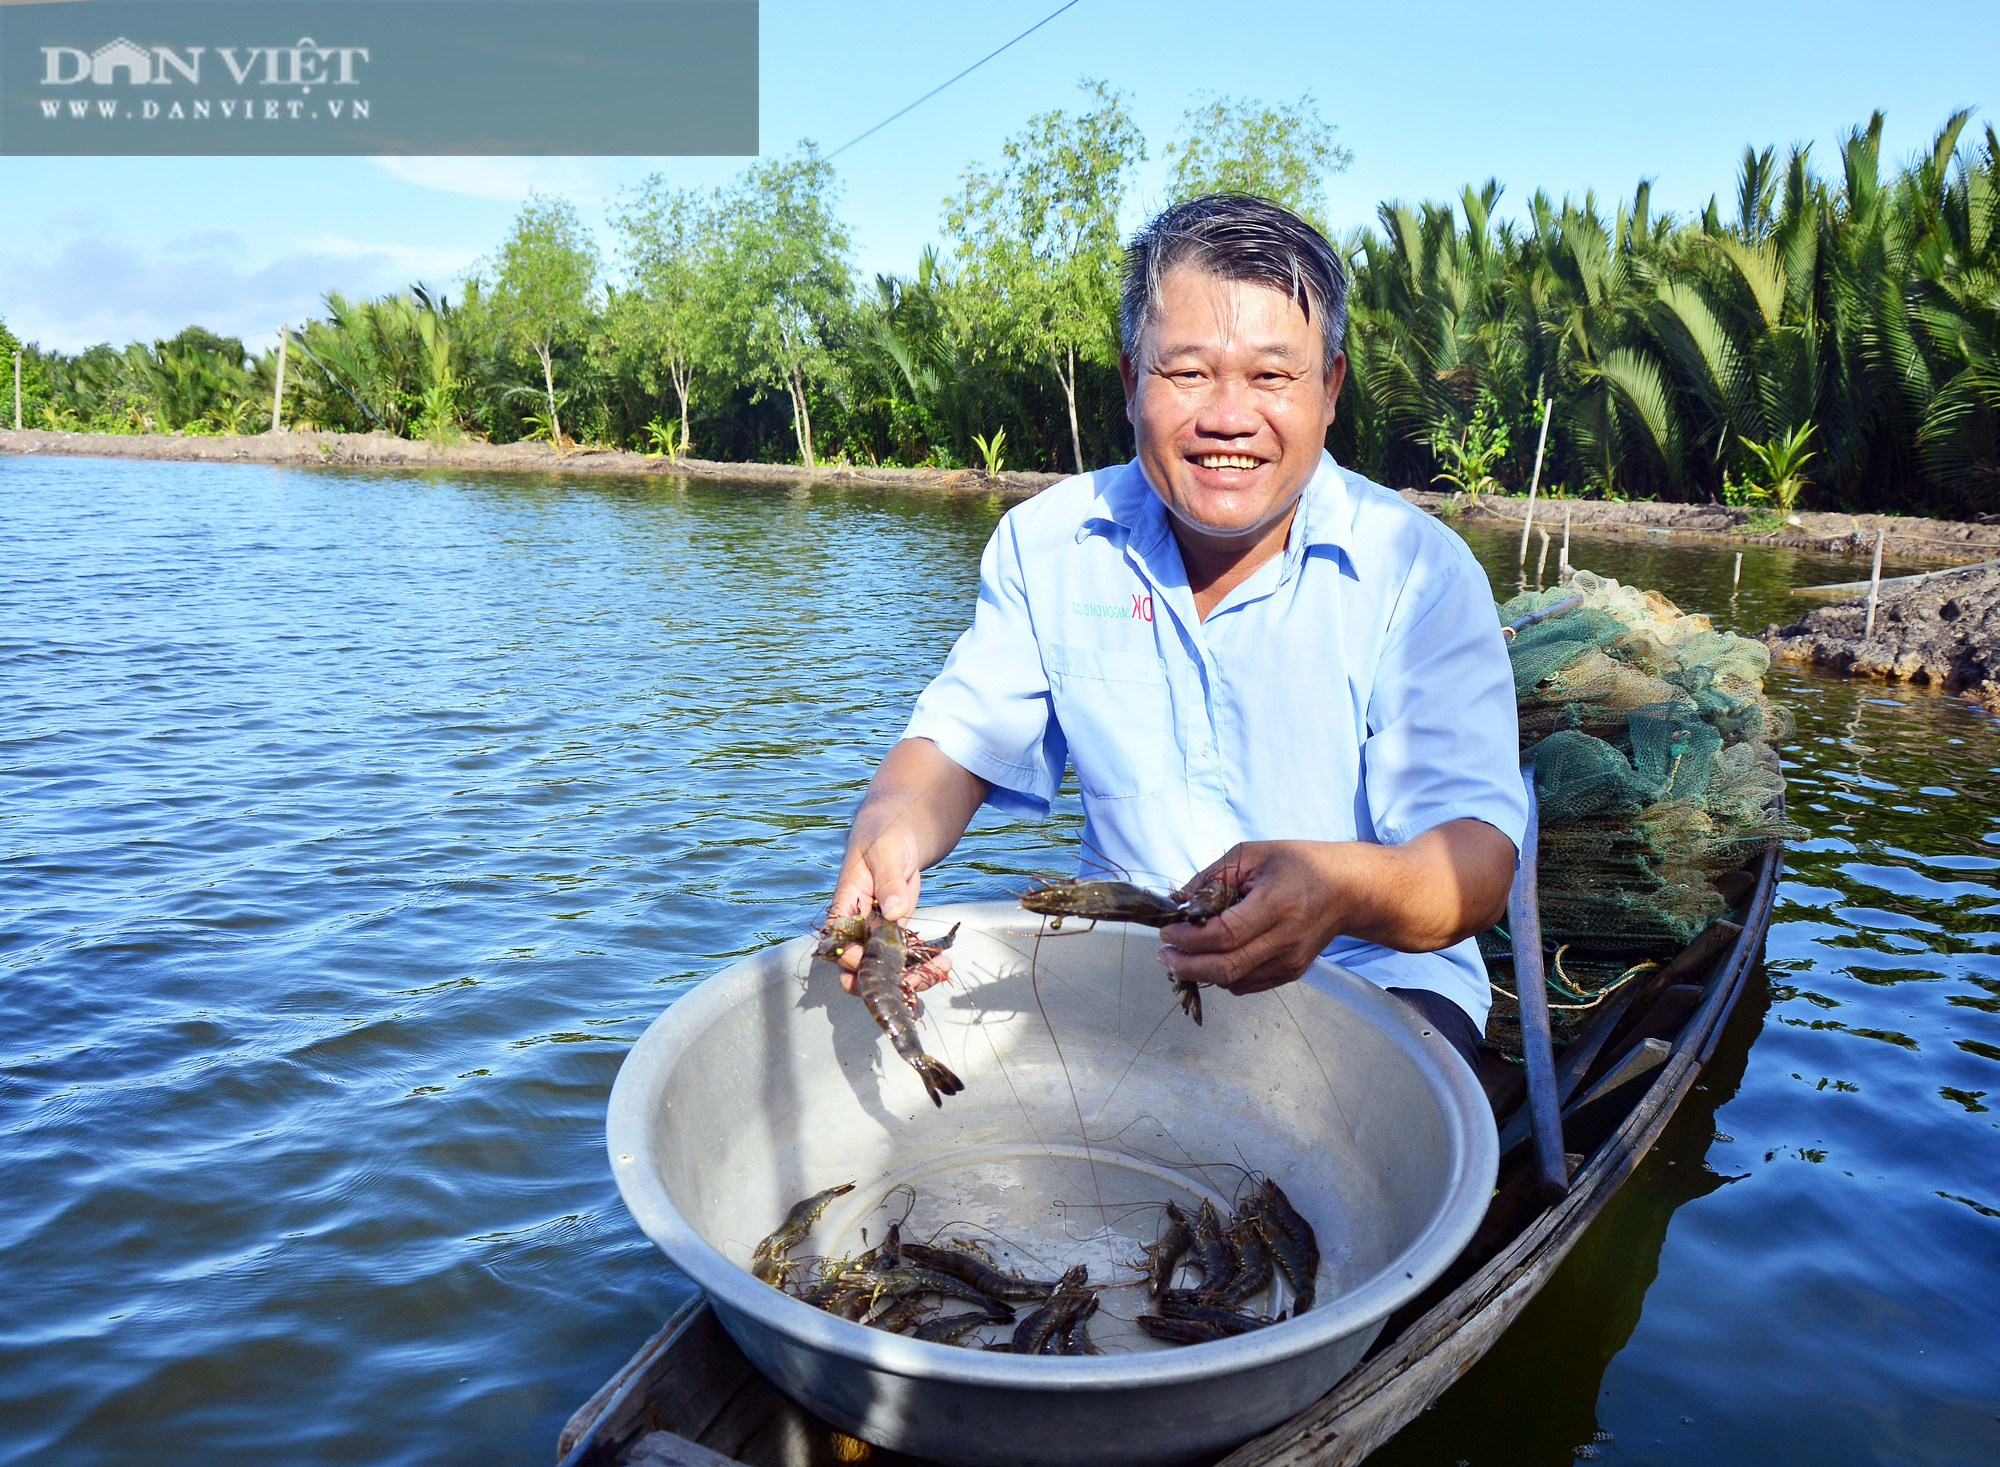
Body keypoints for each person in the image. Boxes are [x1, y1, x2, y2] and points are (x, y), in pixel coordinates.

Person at [827, 193, 1526, 1071]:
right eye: (1187, 371)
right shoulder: (1049, 546)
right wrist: (885, 834)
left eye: (1273, 375)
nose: (1229, 417)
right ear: (1129, 382)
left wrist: (1337, 890)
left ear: (1331, 387)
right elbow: (953, 747)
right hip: (1133, 961)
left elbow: (1474, 860)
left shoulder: (1418, 571)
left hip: (1371, 973)